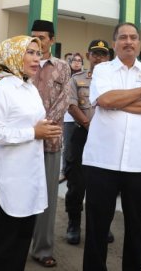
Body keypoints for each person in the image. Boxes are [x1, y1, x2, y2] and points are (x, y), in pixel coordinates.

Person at [83, 22, 141, 271]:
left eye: (134, 37)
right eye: (123, 37)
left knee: (137, 225)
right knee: (97, 227)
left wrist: (118, 101)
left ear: (139, 43)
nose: (129, 41)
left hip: (139, 162)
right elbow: (104, 99)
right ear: (115, 43)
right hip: (101, 161)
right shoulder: (102, 70)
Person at [0, 35, 63, 271]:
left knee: (20, 246)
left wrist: (45, 129)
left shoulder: (28, 87)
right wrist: (33, 132)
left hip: (29, 178)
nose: (37, 58)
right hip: (7, 182)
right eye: (30, 52)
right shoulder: (2, 88)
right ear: (14, 55)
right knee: (1, 249)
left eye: (38, 53)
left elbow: (32, 124)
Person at [28, 19, 71, 268]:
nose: (38, 41)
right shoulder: (22, 65)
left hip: (50, 142)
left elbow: (64, 99)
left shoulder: (63, 67)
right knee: (21, 193)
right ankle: (19, 242)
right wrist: (28, 130)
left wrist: (43, 128)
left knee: (46, 198)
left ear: (52, 40)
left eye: (42, 37)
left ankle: (42, 249)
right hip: (23, 140)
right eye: (34, 37)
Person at [64, 40, 111, 245]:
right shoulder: (77, 79)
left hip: (108, 137)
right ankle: (74, 224)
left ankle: (102, 226)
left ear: (108, 57)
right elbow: (71, 105)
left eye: (103, 54)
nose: (99, 58)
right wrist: (89, 125)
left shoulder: (114, 80)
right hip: (83, 135)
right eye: (95, 54)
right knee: (77, 183)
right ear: (88, 55)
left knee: (104, 185)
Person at [61, 53, 85, 184]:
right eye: (73, 60)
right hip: (68, 118)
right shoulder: (65, 77)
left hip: (81, 118)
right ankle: (65, 171)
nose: (76, 63)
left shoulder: (86, 77)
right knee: (68, 147)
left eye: (79, 61)